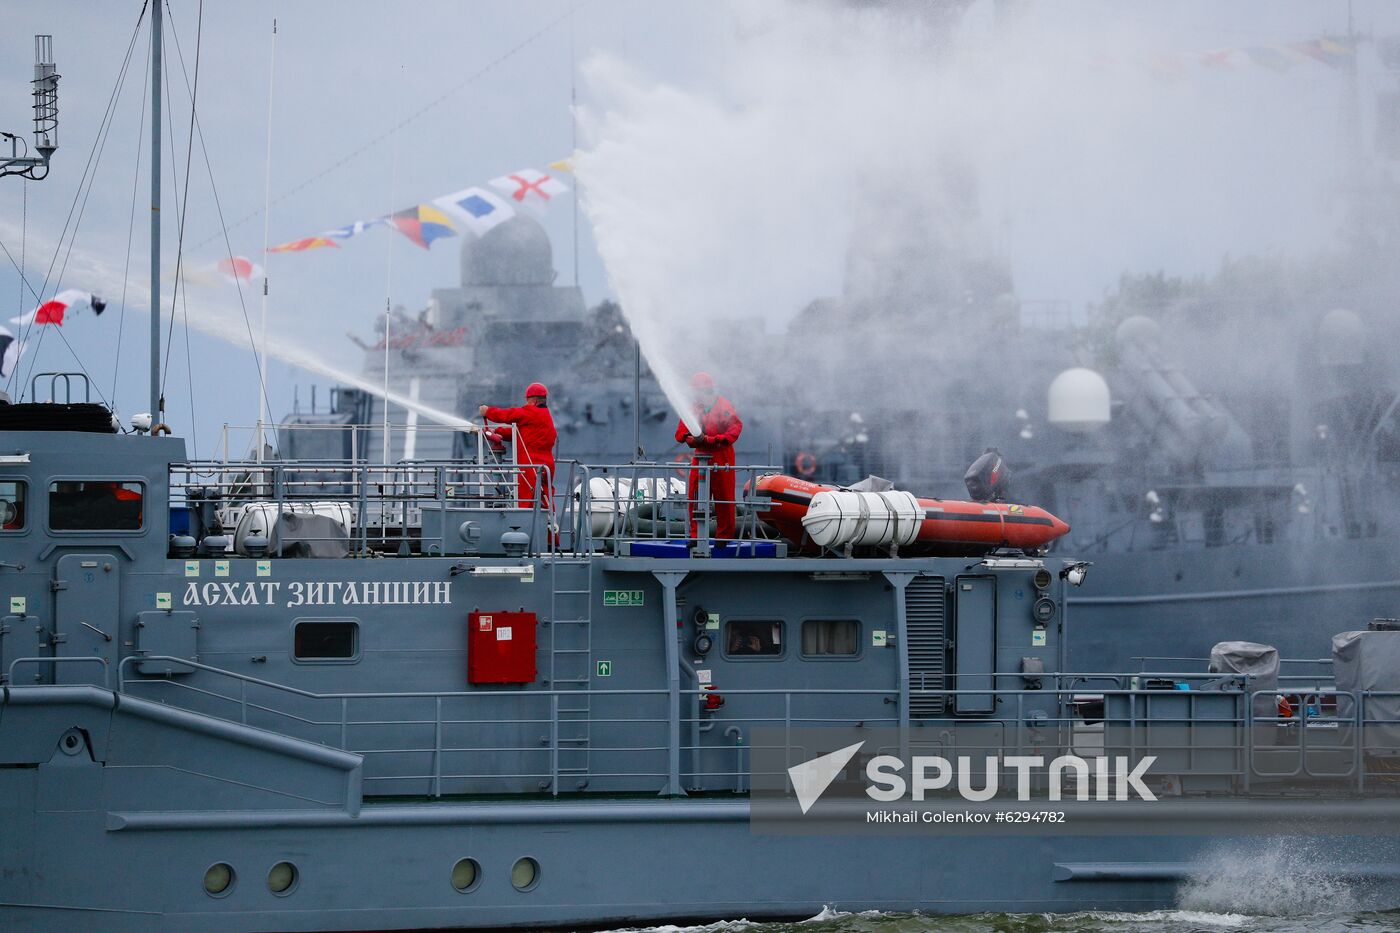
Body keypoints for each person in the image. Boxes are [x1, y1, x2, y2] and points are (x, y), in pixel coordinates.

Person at [675, 372, 743, 540]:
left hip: (722, 456)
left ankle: (724, 537)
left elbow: (734, 430)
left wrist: (711, 440)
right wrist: (691, 438)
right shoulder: (694, 408)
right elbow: (681, 432)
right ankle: (695, 536)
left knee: (724, 498)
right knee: (695, 497)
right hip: (700, 457)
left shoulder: (724, 407)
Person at [480, 383, 557, 512]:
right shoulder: (544, 415)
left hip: (530, 465)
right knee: (545, 502)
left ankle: (522, 528)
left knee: (526, 501)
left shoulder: (530, 412)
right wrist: (498, 432)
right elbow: (523, 434)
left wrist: (488, 412)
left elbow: (509, 415)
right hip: (546, 465)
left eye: (527, 401)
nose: (526, 404)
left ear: (534, 400)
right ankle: (549, 531)